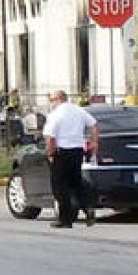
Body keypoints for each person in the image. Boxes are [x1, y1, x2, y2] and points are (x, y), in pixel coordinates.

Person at [42, 90, 99, 228]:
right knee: (76, 183)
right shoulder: (78, 111)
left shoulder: (55, 115)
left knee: (60, 187)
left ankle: (65, 219)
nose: (51, 103)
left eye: (52, 100)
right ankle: (88, 208)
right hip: (77, 152)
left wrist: (50, 154)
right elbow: (94, 125)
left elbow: (50, 138)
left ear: (58, 99)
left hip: (62, 153)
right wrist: (94, 141)